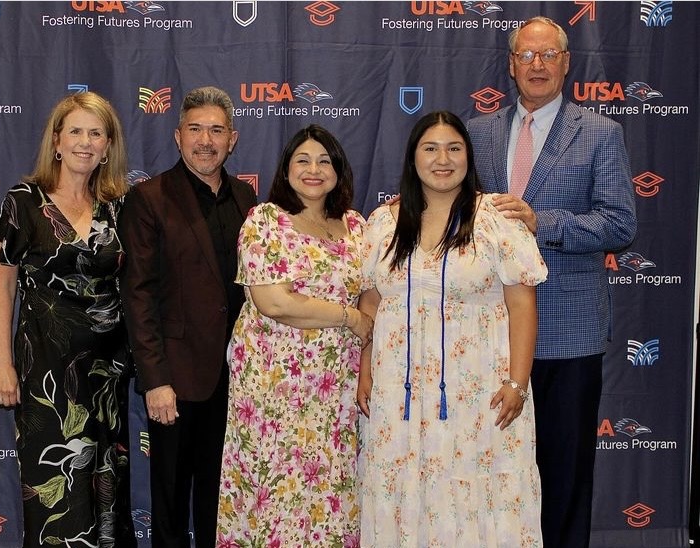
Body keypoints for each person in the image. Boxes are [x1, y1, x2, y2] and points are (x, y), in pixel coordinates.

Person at [467, 16, 637, 548]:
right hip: (486, 331)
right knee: (488, 473)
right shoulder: (477, 133)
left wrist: (543, 221)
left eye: (548, 56)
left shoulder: (601, 133)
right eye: (526, 55)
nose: (536, 65)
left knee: (563, 475)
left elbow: (621, 224)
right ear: (511, 65)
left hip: (568, 332)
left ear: (566, 63)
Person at [356, 111, 547, 547]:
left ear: (468, 156)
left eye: (454, 148)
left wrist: (517, 382)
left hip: (479, 390)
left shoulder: (496, 219)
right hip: (398, 395)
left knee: (482, 492)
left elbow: (522, 304)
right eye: (430, 148)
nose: (443, 159)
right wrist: (366, 367)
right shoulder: (384, 224)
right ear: (413, 158)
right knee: (402, 490)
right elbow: (372, 302)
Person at [0, 91, 136, 547]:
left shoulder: (119, 206)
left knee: (106, 488)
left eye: (96, 133)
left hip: (107, 374)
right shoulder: (23, 201)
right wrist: (3, 363)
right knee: (54, 487)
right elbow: (2, 288)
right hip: (45, 373)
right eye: (75, 131)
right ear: (56, 140)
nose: (85, 143)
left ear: (108, 146)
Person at [215, 124, 373, 548]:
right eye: (302, 160)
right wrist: (348, 317)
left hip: (336, 389)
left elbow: (377, 287)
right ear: (286, 170)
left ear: (339, 170)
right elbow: (274, 303)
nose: (314, 169)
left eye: (325, 160)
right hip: (274, 387)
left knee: (329, 494)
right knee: (275, 492)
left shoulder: (358, 227)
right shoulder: (265, 220)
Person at [119, 86, 257, 548]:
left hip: (236, 379)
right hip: (175, 380)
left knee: (224, 500)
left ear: (232, 140)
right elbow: (138, 295)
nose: (206, 140)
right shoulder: (149, 198)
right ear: (178, 136)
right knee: (172, 504)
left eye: (216, 130)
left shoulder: (246, 198)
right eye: (195, 129)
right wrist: (155, 380)